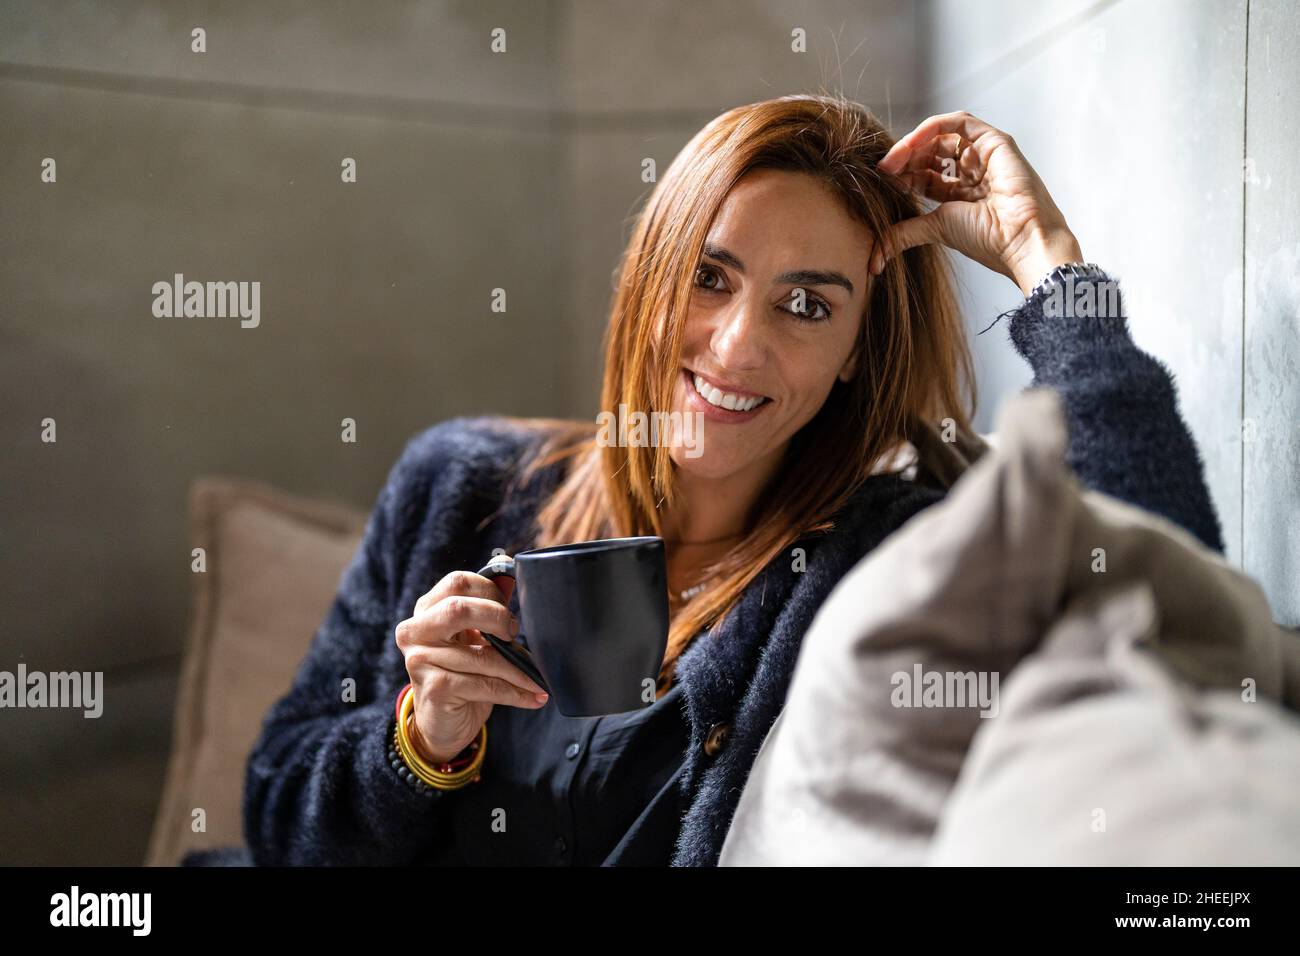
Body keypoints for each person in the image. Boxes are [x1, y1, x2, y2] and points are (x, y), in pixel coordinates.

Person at [239, 95, 1222, 866]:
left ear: (851, 352)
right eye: (707, 277)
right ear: (646, 277)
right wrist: (423, 740)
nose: (738, 345)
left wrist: (1046, 265)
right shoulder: (458, 482)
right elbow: (280, 819)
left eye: (805, 303)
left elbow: (1164, 631)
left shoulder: (876, 556)